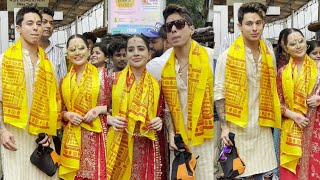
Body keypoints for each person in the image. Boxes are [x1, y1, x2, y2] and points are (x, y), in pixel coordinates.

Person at [215, 2, 281, 179]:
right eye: (249, 23)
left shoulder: (269, 53)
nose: (254, 28)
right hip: (238, 128)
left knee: (260, 175)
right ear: (239, 26)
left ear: (263, 24)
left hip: (261, 127)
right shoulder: (227, 56)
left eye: (258, 23)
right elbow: (219, 93)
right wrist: (224, 127)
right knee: (240, 173)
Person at [0, 5, 61, 179]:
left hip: (42, 139)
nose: (35, 27)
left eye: (39, 23)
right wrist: (2, 131)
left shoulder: (48, 65)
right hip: (14, 136)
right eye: (29, 23)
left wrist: (50, 132)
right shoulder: (4, 60)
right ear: (18, 28)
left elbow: (53, 103)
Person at [161, 4, 215, 179]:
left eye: (180, 24)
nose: (174, 30)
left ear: (191, 29)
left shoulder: (211, 58)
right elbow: (167, 107)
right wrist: (170, 134)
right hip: (179, 139)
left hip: (206, 137)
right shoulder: (163, 66)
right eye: (169, 27)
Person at [106, 34, 166, 179]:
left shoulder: (157, 84)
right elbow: (101, 109)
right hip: (119, 142)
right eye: (131, 50)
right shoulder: (112, 80)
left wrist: (160, 121)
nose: (136, 53)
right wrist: (110, 120)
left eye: (141, 49)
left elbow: (162, 113)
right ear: (126, 55)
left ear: (149, 54)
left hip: (146, 143)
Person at [59, 34, 110, 180]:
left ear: (89, 51)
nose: (77, 53)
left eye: (81, 48)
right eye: (72, 49)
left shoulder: (104, 75)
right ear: (67, 54)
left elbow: (117, 105)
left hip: (97, 136)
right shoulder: (64, 81)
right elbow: (60, 110)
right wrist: (67, 115)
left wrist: (99, 109)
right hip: (73, 139)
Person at [276, 28, 320, 180]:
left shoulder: (319, 69)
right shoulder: (282, 73)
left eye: (301, 41)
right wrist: (293, 115)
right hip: (292, 128)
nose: (299, 46)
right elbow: (277, 102)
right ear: (286, 48)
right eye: (293, 44)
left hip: (317, 128)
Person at [39, 7, 67, 84]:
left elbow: (63, 81)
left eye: (51, 23)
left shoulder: (58, 52)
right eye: (44, 22)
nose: (48, 26)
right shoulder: (27, 50)